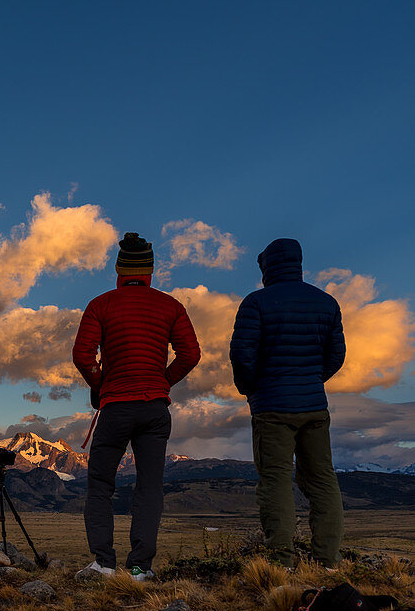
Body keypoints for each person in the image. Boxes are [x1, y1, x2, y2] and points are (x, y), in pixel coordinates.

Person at [72, 232, 201, 581]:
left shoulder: (101, 305)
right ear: (151, 270)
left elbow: (83, 355)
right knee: (149, 487)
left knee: (100, 483)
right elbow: (191, 354)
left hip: (116, 408)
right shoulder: (171, 306)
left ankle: (104, 564)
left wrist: (101, 387)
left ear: (118, 268)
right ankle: (141, 567)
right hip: (154, 410)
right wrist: (162, 382)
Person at [230, 238, 345, 569]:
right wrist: (311, 379)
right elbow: (336, 355)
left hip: (272, 407)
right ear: (298, 263)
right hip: (314, 406)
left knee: (276, 480)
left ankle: (282, 561)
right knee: (323, 479)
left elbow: (241, 353)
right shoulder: (326, 303)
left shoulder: (256, 303)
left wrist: (250, 387)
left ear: (267, 267)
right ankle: (328, 560)